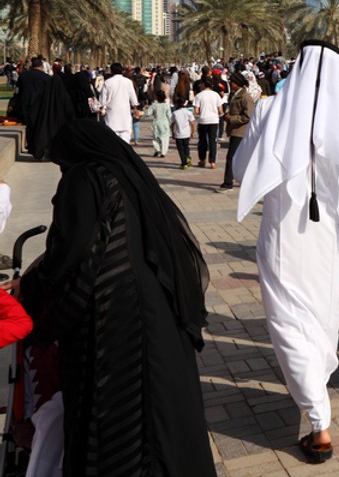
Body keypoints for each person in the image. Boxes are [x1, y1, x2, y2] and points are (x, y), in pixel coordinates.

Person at [16, 120, 215, 475]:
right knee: (161, 420)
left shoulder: (84, 178)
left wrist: (30, 289)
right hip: (153, 315)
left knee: (123, 423)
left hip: (117, 323)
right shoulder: (124, 175)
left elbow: (72, 257)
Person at [233, 40, 339, 463]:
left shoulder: (268, 110)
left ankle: (319, 422)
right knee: (319, 315)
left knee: (289, 323)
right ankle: (316, 396)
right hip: (326, 240)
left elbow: (243, 170)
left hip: (282, 235)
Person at [219, 71, 256, 190]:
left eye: (232, 81)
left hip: (240, 131)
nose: (230, 83)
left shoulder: (245, 97)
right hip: (234, 130)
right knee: (235, 157)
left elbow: (248, 115)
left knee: (231, 157)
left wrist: (232, 119)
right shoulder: (236, 94)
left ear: (237, 83)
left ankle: (228, 182)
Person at [99, 62, 139, 143]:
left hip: (112, 116)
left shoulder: (108, 82)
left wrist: (102, 108)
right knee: (125, 141)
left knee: (112, 141)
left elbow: (102, 100)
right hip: (125, 116)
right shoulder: (128, 82)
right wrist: (135, 109)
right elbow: (133, 98)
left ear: (111, 71)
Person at [193, 78, 222, 169]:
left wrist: (202, 111)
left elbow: (196, 111)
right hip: (214, 120)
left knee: (202, 141)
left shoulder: (199, 96)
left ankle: (202, 160)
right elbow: (220, 109)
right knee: (213, 141)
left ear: (204, 84)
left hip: (203, 120)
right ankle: (213, 162)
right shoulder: (216, 95)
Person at [145, 88, 173, 158]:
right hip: (164, 123)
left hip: (156, 122)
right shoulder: (166, 106)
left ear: (157, 97)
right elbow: (169, 116)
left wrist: (146, 109)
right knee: (164, 138)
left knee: (156, 138)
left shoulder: (154, 105)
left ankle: (157, 149)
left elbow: (148, 113)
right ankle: (163, 152)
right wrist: (171, 124)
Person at [172, 95, 196, 169]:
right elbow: (192, 123)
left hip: (178, 134)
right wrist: (192, 132)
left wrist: (172, 132)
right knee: (186, 147)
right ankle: (187, 157)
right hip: (186, 133)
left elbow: (172, 124)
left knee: (181, 149)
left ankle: (184, 163)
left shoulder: (175, 113)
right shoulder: (188, 112)